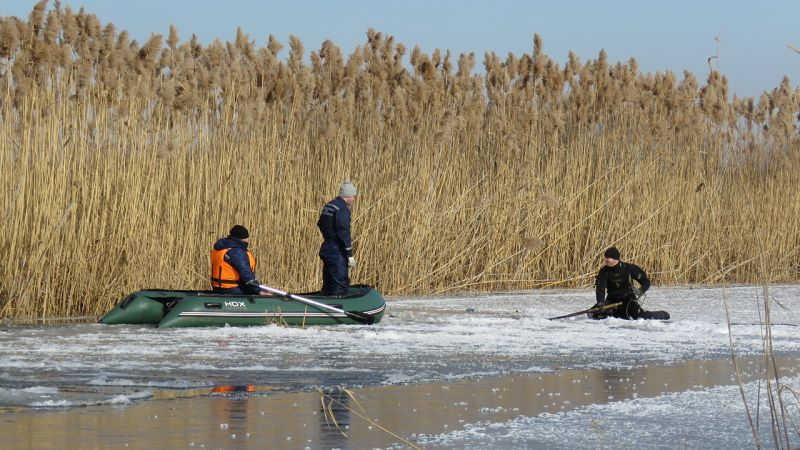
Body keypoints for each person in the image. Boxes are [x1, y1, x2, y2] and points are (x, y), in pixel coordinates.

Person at [590, 246, 668, 320]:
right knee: (596, 314)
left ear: (615, 258)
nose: (605, 260)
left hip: (628, 299)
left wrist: (640, 291)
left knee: (639, 316)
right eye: (605, 257)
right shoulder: (604, 271)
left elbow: (646, 282)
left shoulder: (628, 268)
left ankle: (661, 314)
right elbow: (600, 290)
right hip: (612, 299)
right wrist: (600, 303)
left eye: (608, 258)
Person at [317, 180, 358, 296]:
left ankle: (326, 298)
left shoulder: (329, 205)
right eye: (353, 196)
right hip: (337, 250)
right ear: (348, 196)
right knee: (340, 284)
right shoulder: (342, 209)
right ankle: (337, 302)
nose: (354, 199)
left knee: (328, 282)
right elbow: (343, 232)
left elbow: (320, 223)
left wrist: (329, 236)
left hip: (327, 247)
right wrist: (349, 254)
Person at [210, 225, 270, 295]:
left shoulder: (222, 247)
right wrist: (258, 291)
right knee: (263, 291)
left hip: (218, 288)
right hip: (232, 289)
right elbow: (246, 275)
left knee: (261, 289)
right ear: (243, 239)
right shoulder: (236, 251)